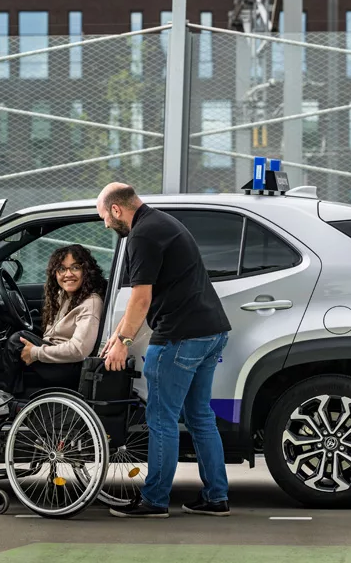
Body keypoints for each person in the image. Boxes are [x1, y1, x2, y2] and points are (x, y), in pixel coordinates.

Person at [97, 183, 232, 519]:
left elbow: (141, 299)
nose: (106, 226)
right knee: (200, 417)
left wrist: (123, 344)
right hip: (211, 331)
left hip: (179, 338)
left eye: (103, 217)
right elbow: (146, 303)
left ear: (116, 209)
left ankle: (154, 500)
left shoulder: (142, 235)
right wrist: (116, 337)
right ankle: (216, 497)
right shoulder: (163, 223)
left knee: (161, 419)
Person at [0, 244, 106, 417]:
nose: (68, 274)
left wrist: (36, 353)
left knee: (18, 340)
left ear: (87, 271)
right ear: (54, 273)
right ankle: (6, 396)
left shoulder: (90, 303)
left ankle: (1, 399)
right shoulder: (65, 296)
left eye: (75, 268)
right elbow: (52, 335)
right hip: (59, 360)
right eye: (61, 269)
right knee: (17, 340)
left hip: (69, 367)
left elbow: (79, 350)